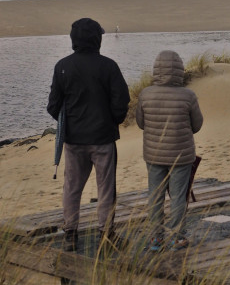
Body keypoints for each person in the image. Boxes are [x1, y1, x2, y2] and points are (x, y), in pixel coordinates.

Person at [47, 18, 130, 252]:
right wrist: (112, 121)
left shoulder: (63, 66)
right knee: (106, 189)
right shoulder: (108, 66)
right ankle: (106, 236)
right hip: (103, 139)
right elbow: (121, 101)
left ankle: (70, 235)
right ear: (97, 39)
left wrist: (70, 124)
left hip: (74, 141)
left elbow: (53, 106)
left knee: (72, 188)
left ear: (74, 40)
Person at [136, 50, 203, 252]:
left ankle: (156, 239)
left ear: (156, 69)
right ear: (179, 70)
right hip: (181, 156)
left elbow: (141, 123)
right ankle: (176, 238)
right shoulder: (188, 95)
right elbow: (197, 125)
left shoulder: (145, 94)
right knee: (178, 197)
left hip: (153, 154)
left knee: (155, 197)